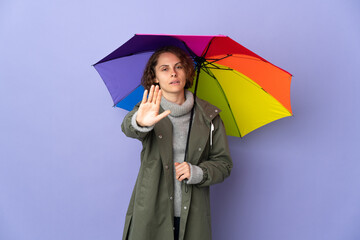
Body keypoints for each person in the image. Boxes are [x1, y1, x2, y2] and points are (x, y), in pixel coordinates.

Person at [121, 46, 233, 240]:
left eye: (179, 66)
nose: (173, 73)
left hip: (193, 214)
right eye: (164, 69)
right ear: (154, 77)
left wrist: (197, 172)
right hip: (151, 211)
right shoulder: (149, 109)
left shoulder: (209, 117)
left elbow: (224, 164)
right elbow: (128, 128)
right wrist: (140, 122)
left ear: (186, 72)